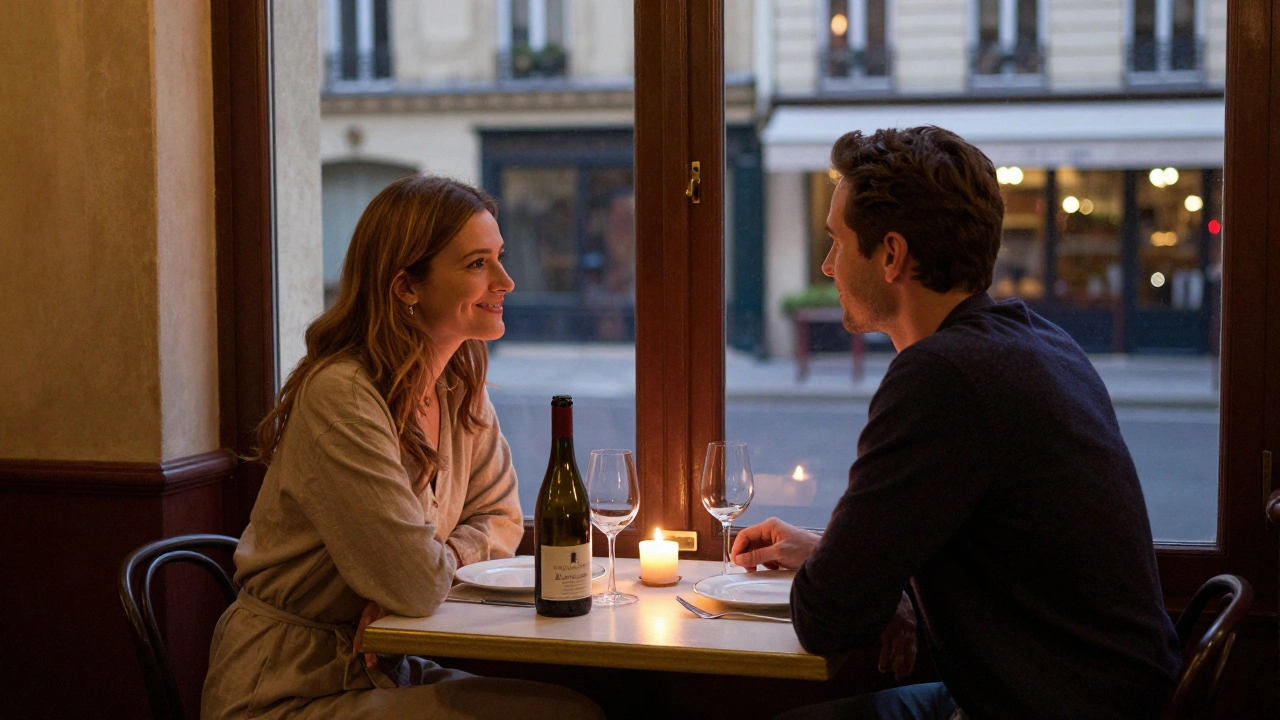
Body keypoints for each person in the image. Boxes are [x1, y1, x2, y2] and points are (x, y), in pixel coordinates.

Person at [732, 127, 1181, 720]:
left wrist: (850, 577)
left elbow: (827, 619)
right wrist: (832, 555)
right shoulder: (1039, 338)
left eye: (838, 242)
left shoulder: (941, 377)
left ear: (891, 255)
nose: (828, 264)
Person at [202, 175, 603, 719]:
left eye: (500, 257)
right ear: (406, 287)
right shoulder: (341, 395)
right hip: (287, 687)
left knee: (571, 709)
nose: (507, 280)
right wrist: (425, 575)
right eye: (477, 264)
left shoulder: (457, 388)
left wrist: (443, 562)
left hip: (386, 666)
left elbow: (503, 518)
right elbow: (417, 586)